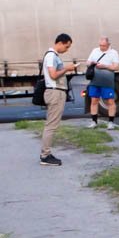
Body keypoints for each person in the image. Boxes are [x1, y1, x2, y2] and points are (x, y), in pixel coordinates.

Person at [39, 33, 78, 167]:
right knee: (51, 125)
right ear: (60, 43)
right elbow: (53, 75)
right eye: (67, 47)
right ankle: (45, 155)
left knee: (51, 124)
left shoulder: (53, 56)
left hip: (56, 92)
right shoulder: (51, 56)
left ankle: (46, 153)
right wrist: (67, 68)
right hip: (55, 92)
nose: (67, 50)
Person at [85, 36, 119, 130]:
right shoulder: (95, 51)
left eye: (104, 46)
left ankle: (111, 122)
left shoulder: (113, 52)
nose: (101, 47)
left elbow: (116, 67)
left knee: (110, 101)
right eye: (100, 45)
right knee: (94, 100)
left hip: (107, 81)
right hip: (94, 81)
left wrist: (105, 66)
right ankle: (94, 121)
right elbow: (87, 62)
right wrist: (91, 63)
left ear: (108, 44)